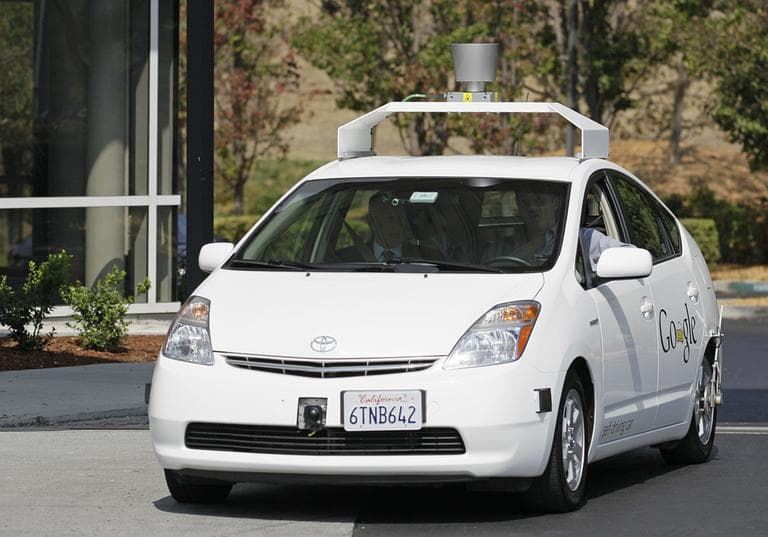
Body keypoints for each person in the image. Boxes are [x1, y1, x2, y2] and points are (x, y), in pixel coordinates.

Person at [366, 192, 442, 261]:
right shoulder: (355, 258)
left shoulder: (429, 256)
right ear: (371, 222)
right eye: (390, 219)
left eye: (401, 218)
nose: (398, 225)